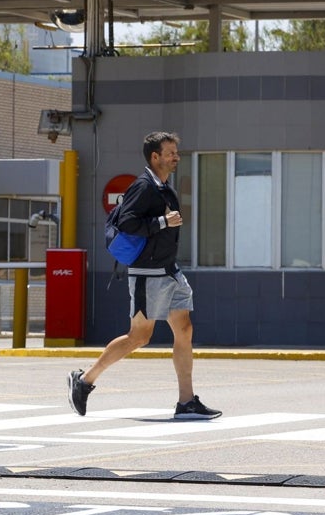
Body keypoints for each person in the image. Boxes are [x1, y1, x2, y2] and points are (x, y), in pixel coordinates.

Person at [67, 131, 221, 420]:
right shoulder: (143, 187)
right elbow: (126, 222)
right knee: (139, 336)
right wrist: (163, 221)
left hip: (170, 271)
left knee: (184, 330)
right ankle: (85, 380)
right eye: (171, 152)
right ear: (155, 156)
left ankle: (186, 402)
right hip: (148, 274)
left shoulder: (164, 187)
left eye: (176, 151)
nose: (176, 156)